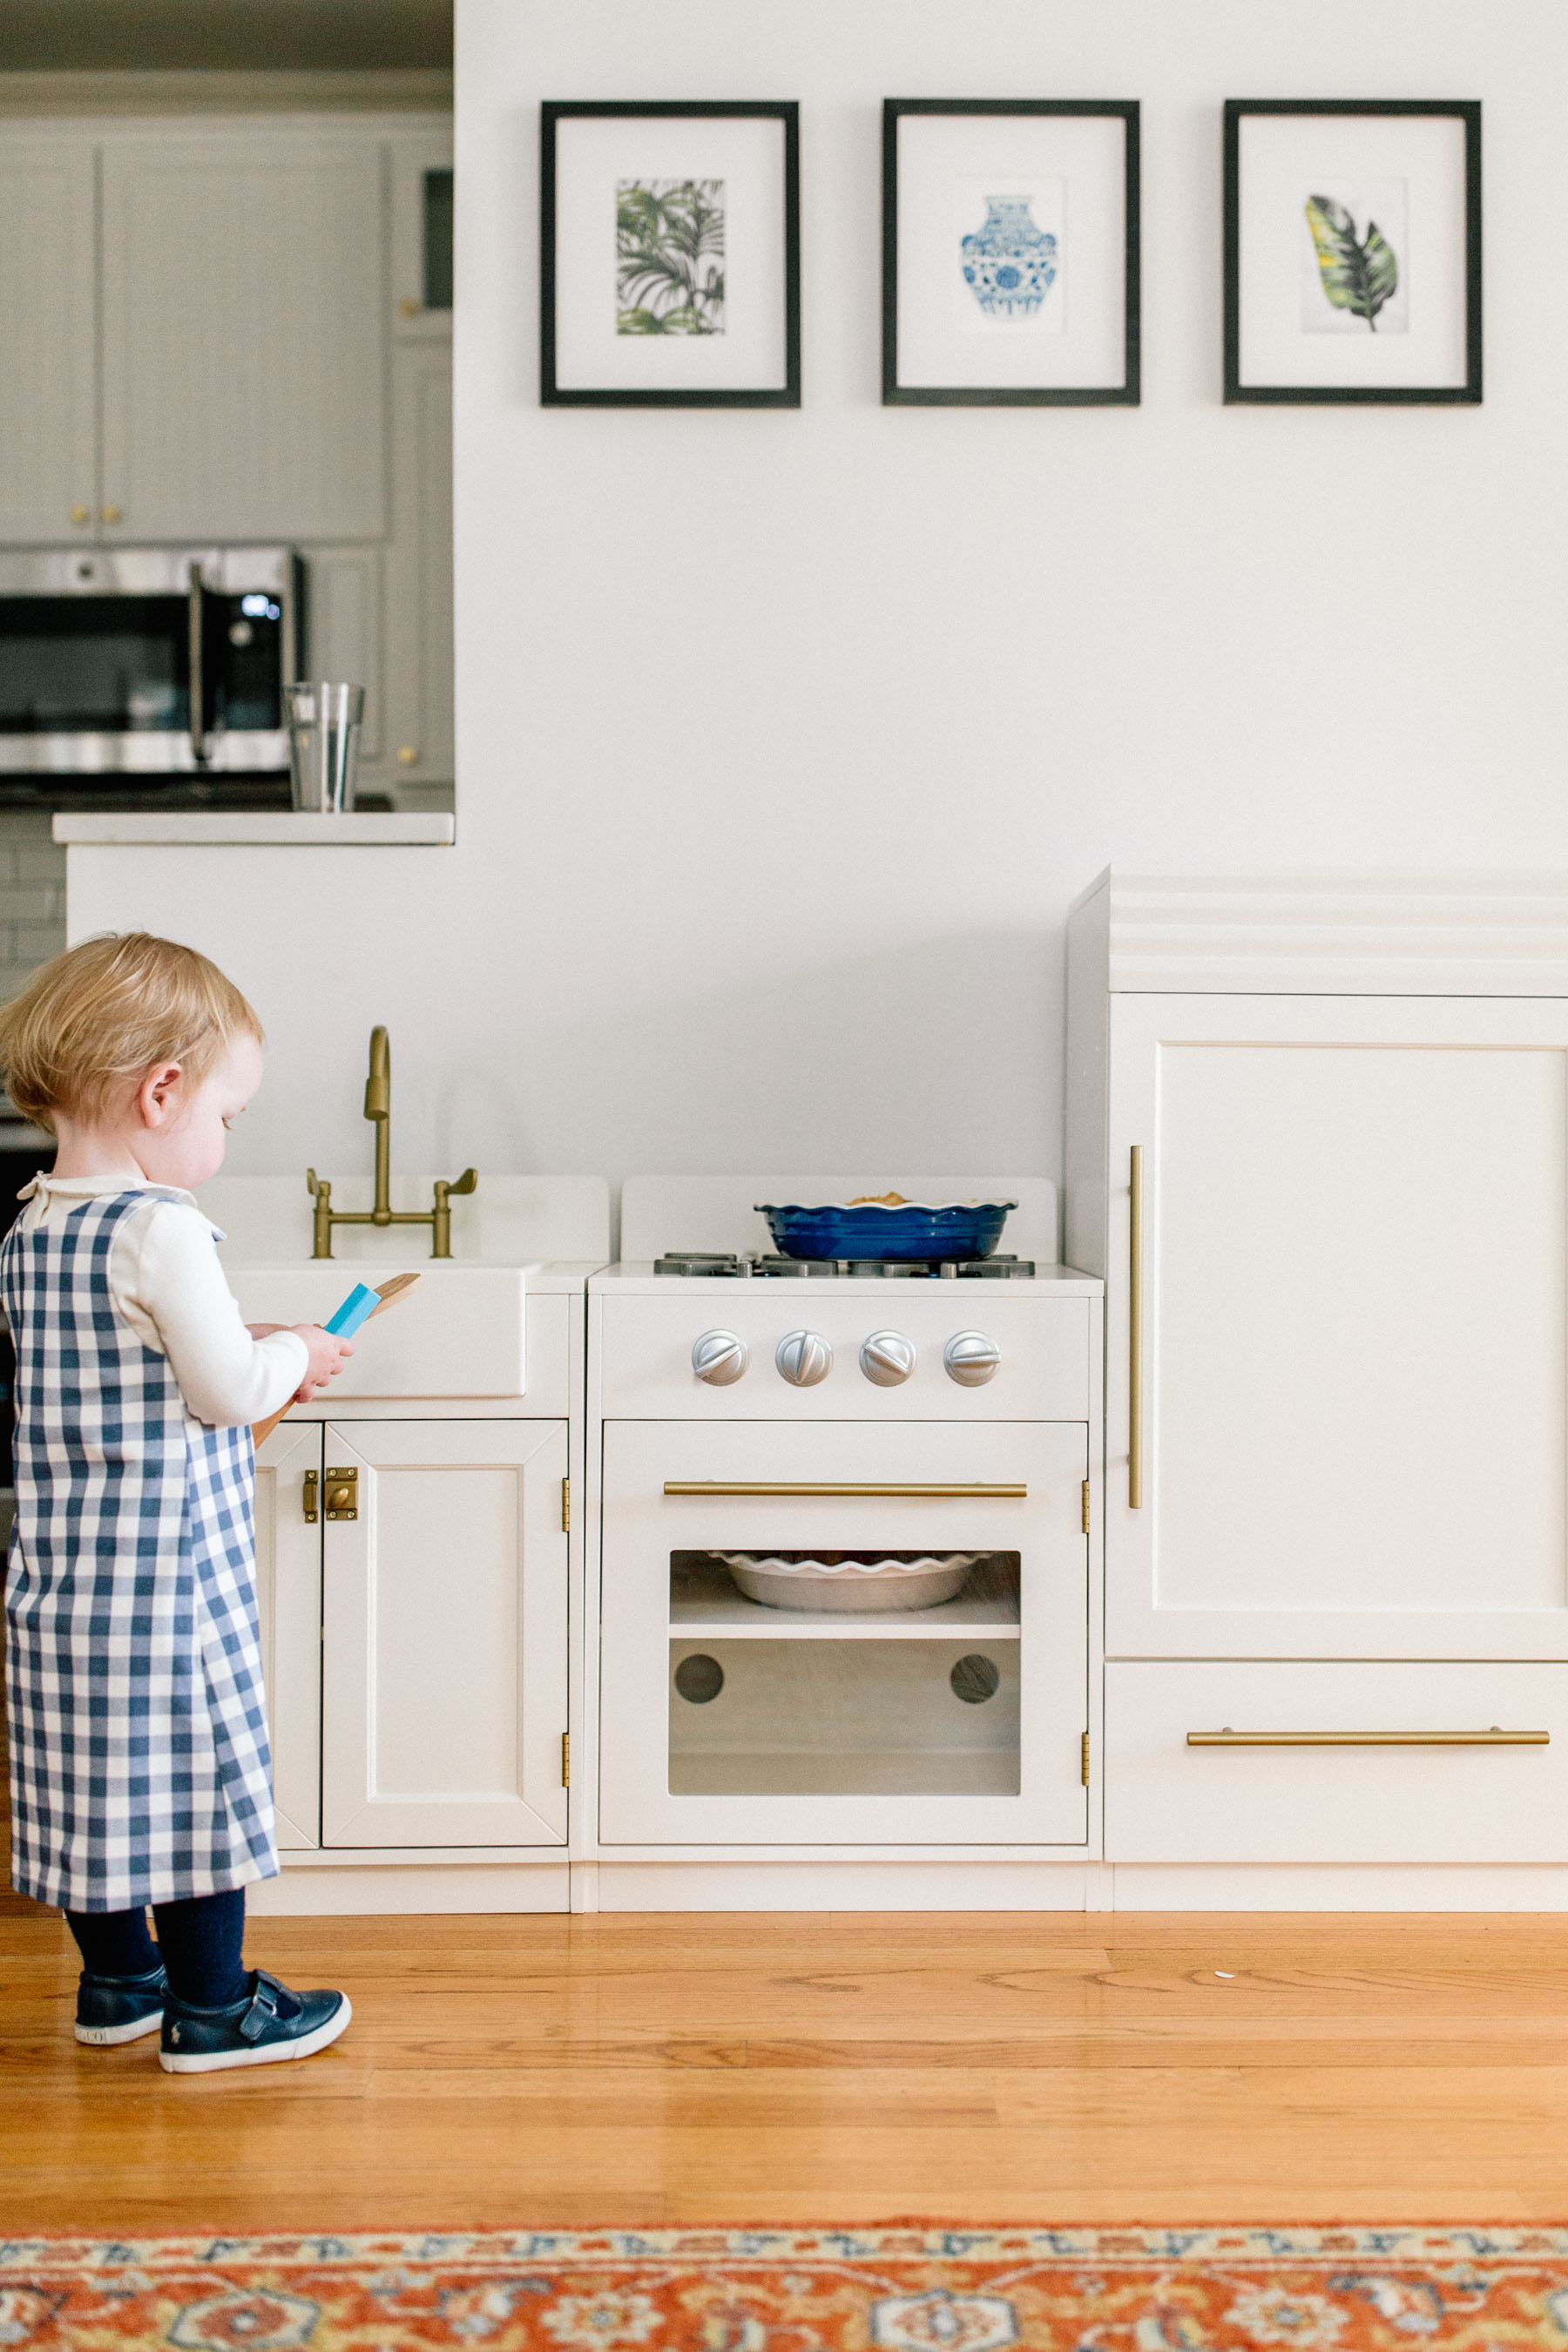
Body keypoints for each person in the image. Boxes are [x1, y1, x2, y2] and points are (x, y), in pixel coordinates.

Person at [0, 933, 355, 2072]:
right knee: (198, 1785)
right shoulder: (161, 1225)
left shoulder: (31, 1228)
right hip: (168, 1589)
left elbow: (116, 1370)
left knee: (87, 1782)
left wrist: (249, 1350)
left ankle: (119, 1985)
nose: (222, 1138)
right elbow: (225, 1393)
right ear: (163, 1091)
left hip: (60, 1583)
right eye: (227, 1115)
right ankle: (214, 2009)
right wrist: (295, 1350)